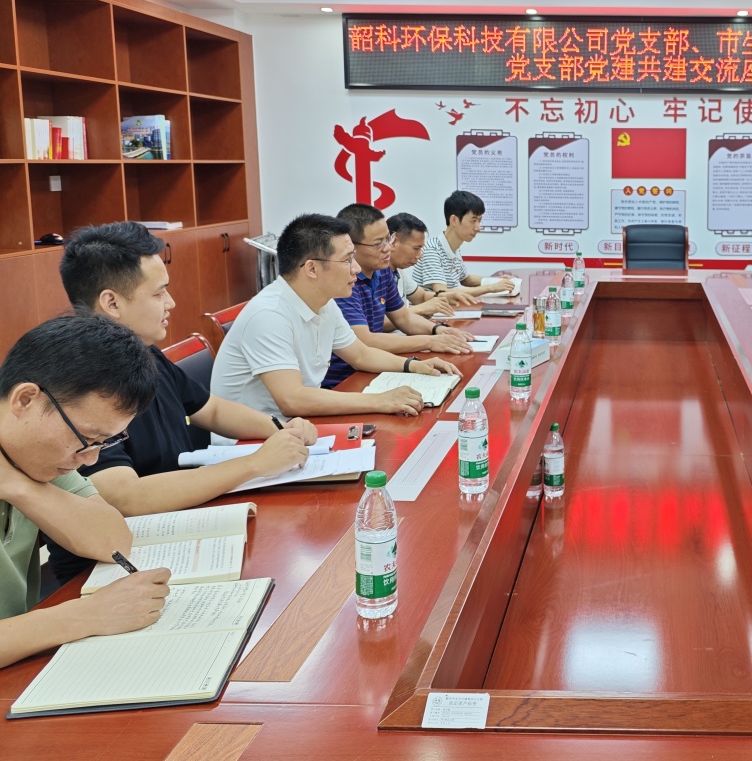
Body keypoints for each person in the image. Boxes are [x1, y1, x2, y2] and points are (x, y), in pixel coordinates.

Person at [48, 221, 317, 582]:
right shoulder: (81, 383)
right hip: (111, 561)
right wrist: (256, 463)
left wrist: (281, 430)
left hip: (177, 522)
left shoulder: (144, 354)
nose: (171, 303)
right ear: (111, 302)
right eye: (159, 293)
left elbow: (212, 409)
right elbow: (126, 497)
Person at [0, 316, 171, 669]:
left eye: (103, 443)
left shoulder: (28, 460)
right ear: (26, 399)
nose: (89, 459)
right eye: (85, 438)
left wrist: (18, 487)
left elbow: (112, 541)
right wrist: (86, 616)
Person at [210, 213, 461, 421]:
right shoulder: (269, 315)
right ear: (312, 268)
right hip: (254, 442)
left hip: (298, 427)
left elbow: (360, 354)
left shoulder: (325, 304)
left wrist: (415, 366)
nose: (356, 268)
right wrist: (381, 400)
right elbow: (292, 400)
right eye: (347, 260)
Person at [325, 204, 475, 388]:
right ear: (351, 246)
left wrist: (438, 330)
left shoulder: (382, 271)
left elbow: (403, 317)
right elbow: (365, 341)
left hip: (375, 367)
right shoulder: (344, 282)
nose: (388, 248)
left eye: (388, 239)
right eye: (378, 244)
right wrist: (430, 341)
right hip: (344, 380)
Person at [413, 191, 517, 300]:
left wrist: (496, 281)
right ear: (454, 220)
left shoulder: (454, 248)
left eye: (479, 221)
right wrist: (491, 287)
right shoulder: (432, 249)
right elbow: (442, 292)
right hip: (431, 310)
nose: (478, 227)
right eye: (473, 221)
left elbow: (466, 279)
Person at [384, 212, 479, 322]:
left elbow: (421, 297)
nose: (420, 255)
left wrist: (448, 297)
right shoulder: (376, 274)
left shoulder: (399, 272)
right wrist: (421, 309)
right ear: (393, 242)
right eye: (416, 248)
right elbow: (379, 322)